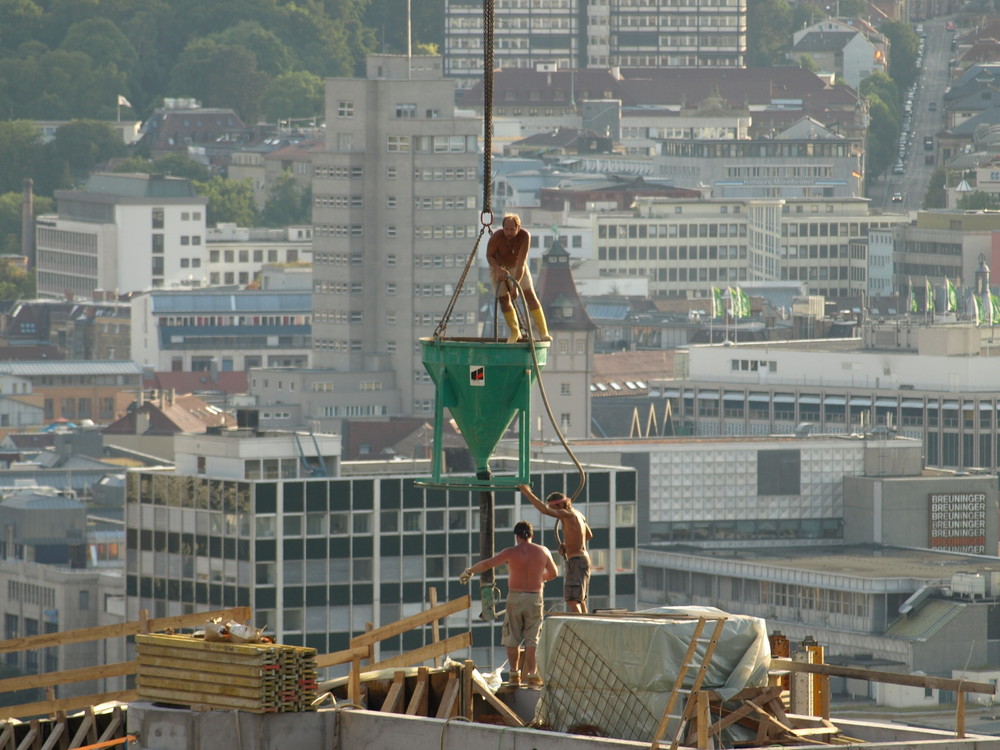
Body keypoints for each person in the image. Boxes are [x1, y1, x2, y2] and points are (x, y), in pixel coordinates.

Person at [459, 520, 558, 686]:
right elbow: (554, 573)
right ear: (532, 535)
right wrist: (541, 578)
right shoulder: (543, 551)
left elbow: (488, 563)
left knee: (512, 636)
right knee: (532, 638)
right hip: (535, 597)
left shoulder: (511, 552)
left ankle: (514, 674)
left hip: (515, 597)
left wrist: (469, 571)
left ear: (517, 536)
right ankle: (533, 674)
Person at [518, 485, 593, 613]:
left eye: (553, 508)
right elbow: (588, 535)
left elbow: (543, 510)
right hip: (583, 559)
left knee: (572, 599)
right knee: (580, 599)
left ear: (559, 506)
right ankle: (586, 624)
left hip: (576, 561)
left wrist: (526, 492)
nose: (554, 512)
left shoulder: (566, 513)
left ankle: (581, 627)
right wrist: (568, 545)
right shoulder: (578, 514)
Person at [485, 213, 551, 344]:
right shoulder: (497, 237)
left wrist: (516, 287)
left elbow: (521, 262)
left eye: (512, 229)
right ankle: (515, 332)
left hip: (517, 266)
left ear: (518, 227)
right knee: (504, 299)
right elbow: (489, 256)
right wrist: (498, 270)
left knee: (529, 295)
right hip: (498, 266)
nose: (508, 232)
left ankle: (543, 332)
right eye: (506, 229)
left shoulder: (524, 236)